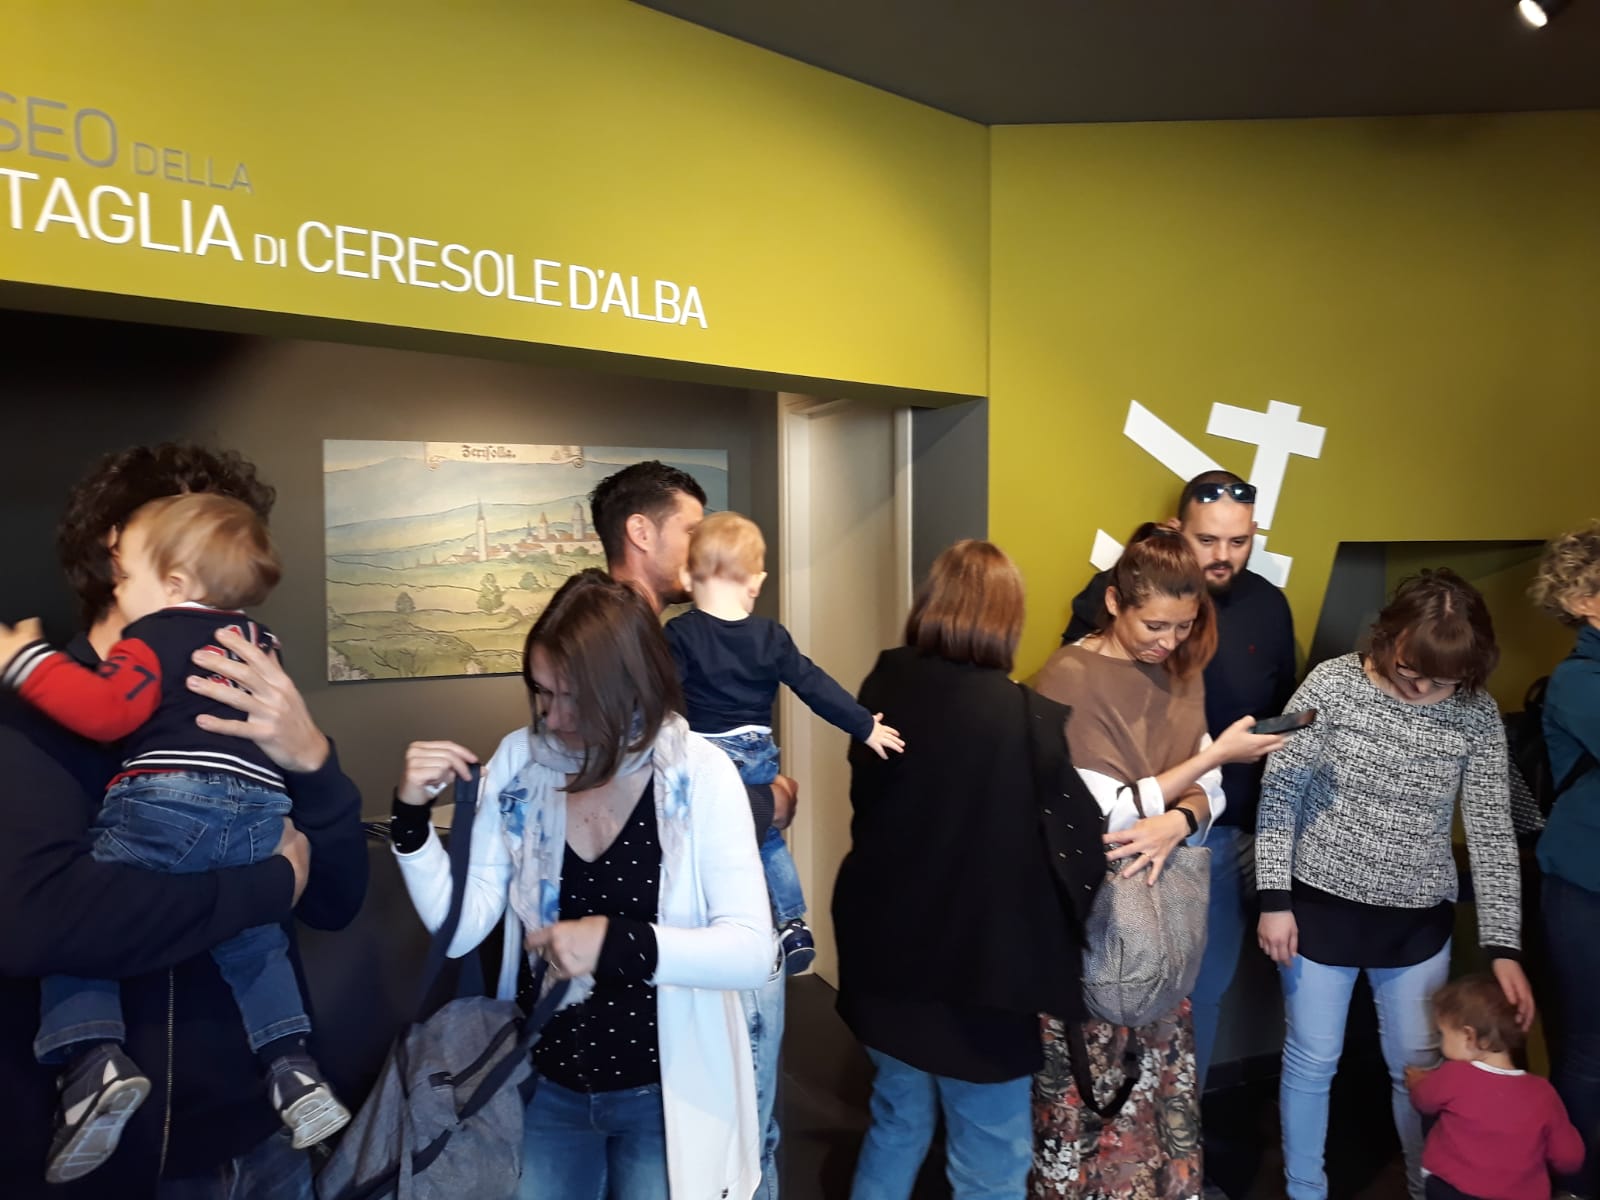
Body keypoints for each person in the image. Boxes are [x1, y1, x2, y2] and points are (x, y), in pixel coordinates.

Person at [0, 442, 368, 1200]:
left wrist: (313, 759)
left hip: (265, 1137)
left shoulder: (253, 706)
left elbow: (335, 901)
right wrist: (270, 885)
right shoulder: (31, 719)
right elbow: (41, 923)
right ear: (118, 547)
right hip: (111, 1165)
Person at [392, 569, 773, 1198]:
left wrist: (615, 941)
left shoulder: (699, 775)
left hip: (666, 1091)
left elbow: (753, 950)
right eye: (543, 693)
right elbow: (461, 929)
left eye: (576, 698)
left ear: (631, 686)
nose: (555, 717)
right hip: (545, 1083)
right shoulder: (522, 761)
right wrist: (410, 821)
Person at [833, 539, 1103, 1198]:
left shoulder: (884, 684)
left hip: (882, 960)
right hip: (979, 985)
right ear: (1007, 619)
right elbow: (1079, 844)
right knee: (991, 1164)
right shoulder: (1024, 722)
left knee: (896, 1124)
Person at [1257, 569, 1534, 1200]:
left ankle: (1421, 1186)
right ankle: (1304, 1190)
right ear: (1387, 638)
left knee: (1418, 1069)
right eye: (1411, 671)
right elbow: (1281, 793)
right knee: (1312, 1061)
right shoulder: (1332, 683)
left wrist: (1503, 947)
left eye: (1443, 681)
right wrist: (1274, 899)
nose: (1423, 689)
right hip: (1317, 908)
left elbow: (1492, 832)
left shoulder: (1476, 713)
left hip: (1415, 924)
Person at [1031, 524, 1285, 1199]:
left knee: (1157, 1076)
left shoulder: (1181, 671)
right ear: (1114, 602)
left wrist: (1179, 819)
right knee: (1087, 1091)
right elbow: (1105, 818)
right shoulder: (1068, 677)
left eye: (1183, 625)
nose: (1168, 642)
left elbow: (1210, 794)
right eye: (1155, 625)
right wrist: (1209, 761)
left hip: (1163, 915)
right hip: (1088, 920)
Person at [590, 460, 788, 1197]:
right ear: (641, 532)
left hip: (683, 917)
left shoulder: (665, 636)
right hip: (683, 921)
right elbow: (639, 797)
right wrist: (767, 805)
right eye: (692, 529)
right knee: (740, 1124)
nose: (706, 547)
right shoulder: (624, 644)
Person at [1061, 470, 1297, 1086]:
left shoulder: (1255, 615)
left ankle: (1176, 1126)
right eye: (1206, 540)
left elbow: (1219, 767)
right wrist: (1204, 771)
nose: (1223, 556)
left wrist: (1188, 815)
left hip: (1216, 834)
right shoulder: (1094, 648)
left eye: (1239, 542)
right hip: (1121, 850)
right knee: (1108, 995)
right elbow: (1096, 790)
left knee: (1195, 995)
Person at [666, 511, 904, 975]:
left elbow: (662, 699)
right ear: (756, 582)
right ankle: (792, 923)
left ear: (688, 578)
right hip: (758, 751)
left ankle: (713, 918)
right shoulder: (771, 636)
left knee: (709, 838)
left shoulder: (679, 634)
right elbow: (814, 684)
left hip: (707, 754)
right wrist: (863, 725)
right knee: (767, 836)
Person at [1529, 520, 1600, 1198]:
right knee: (1590, 1049)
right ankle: (1577, 1184)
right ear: (1584, 602)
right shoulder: (1578, 681)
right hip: (1586, 890)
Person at [1405, 974, 1583, 1200]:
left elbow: (1423, 1100)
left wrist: (1418, 1081)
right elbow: (1569, 1158)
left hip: (1451, 1188)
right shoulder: (1544, 1093)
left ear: (1469, 1036)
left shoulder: (1454, 1074)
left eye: (1443, 1034)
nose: (1441, 1043)